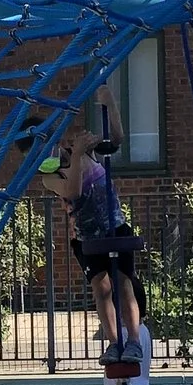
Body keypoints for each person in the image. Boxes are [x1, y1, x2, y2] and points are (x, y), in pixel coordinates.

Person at [38, 124, 144, 360]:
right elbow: (73, 192)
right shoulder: (51, 176)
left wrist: (109, 103)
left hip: (115, 228)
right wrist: (75, 157)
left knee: (123, 283)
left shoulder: (84, 151)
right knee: (102, 289)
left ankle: (134, 341)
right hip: (87, 237)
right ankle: (115, 343)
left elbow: (117, 138)